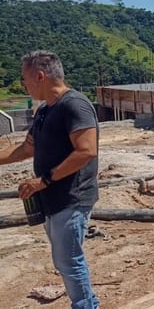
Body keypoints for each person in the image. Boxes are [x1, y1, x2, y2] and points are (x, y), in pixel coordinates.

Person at [0, 50, 100, 309]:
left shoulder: (74, 105)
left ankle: (86, 306)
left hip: (72, 197)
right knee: (64, 259)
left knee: (69, 260)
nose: (24, 84)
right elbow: (26, 149)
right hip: (53, 199)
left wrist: (42, 180)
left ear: (40, 76)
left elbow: (87, 151)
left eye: (25, 79)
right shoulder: (44, 110)